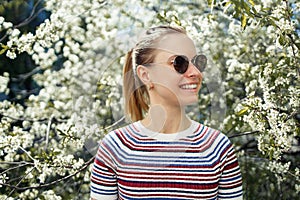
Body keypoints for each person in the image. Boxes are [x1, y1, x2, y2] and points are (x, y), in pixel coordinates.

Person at [90, 25, 243, 200]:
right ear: (146, 75)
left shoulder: (218, 148)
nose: (195, 72)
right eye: (179, 63)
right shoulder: (116, 147)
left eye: (198, 62)